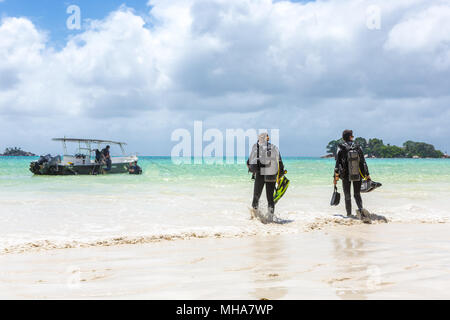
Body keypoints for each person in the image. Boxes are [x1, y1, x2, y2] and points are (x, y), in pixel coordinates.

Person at [247, 133, 284, 223]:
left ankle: (255, 217)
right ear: (267, 139)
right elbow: (280, 162)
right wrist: (280, 176)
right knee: (269, 198)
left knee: (256, 196)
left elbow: (249, 162)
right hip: (270, 173)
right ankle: (270, 218)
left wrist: (252, 170)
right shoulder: (273, 147)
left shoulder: (256, 147)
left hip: (260, 173)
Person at [334, 130, 371, 219]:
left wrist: (335, 177)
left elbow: (337, 164)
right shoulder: (358, 147)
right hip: (357, 174)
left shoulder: (341, 148)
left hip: (345, 175)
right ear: (351, 137)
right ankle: (361, 211)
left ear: (343, 138)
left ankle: (349, 215)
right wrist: (367, 174)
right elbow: (363, 162)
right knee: (357, 194)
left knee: (347, 196)